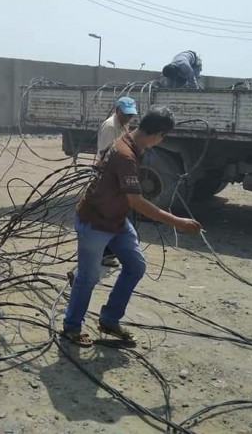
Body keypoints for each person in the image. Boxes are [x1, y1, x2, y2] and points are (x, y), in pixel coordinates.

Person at [62, 107, 202, 347]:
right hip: (95, 221)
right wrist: (178, 222)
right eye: (163, 137)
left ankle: (109, 320)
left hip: (116, 219)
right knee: (88, 276)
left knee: (135, 266)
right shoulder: (125, 154)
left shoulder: (131, 142)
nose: (161, 141)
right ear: (157, 135)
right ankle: (72, 327)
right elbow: (136, 201)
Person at [96, 96, 138, 267]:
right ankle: (103, 255)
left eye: (131, 115)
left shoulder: (123, 125)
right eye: (126, 114)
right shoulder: (110, 126)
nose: (128, 118)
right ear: (117, 110)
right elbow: (105, 153)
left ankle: (109, 253)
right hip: (108, 177)